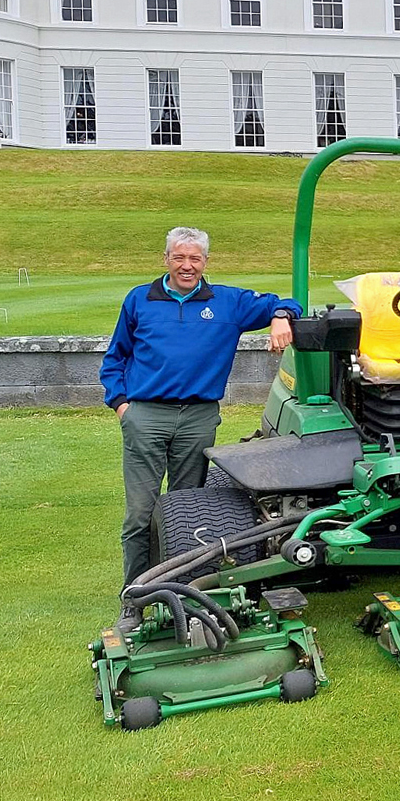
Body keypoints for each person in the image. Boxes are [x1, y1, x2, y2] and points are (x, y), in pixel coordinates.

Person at [100, 227, 300, 583]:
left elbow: (287, 302)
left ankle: (179, 589)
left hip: (198, 418)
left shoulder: (228, 302)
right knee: (140, 515)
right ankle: (135, 593)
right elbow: (115, 358)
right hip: (146, 416)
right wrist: (121, 405)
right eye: (179, 257)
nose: (187, 265)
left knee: (186, 513)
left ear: (206, 261)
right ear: (166, 259)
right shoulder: (139, 300)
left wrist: (281, 316)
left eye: (194, 258)